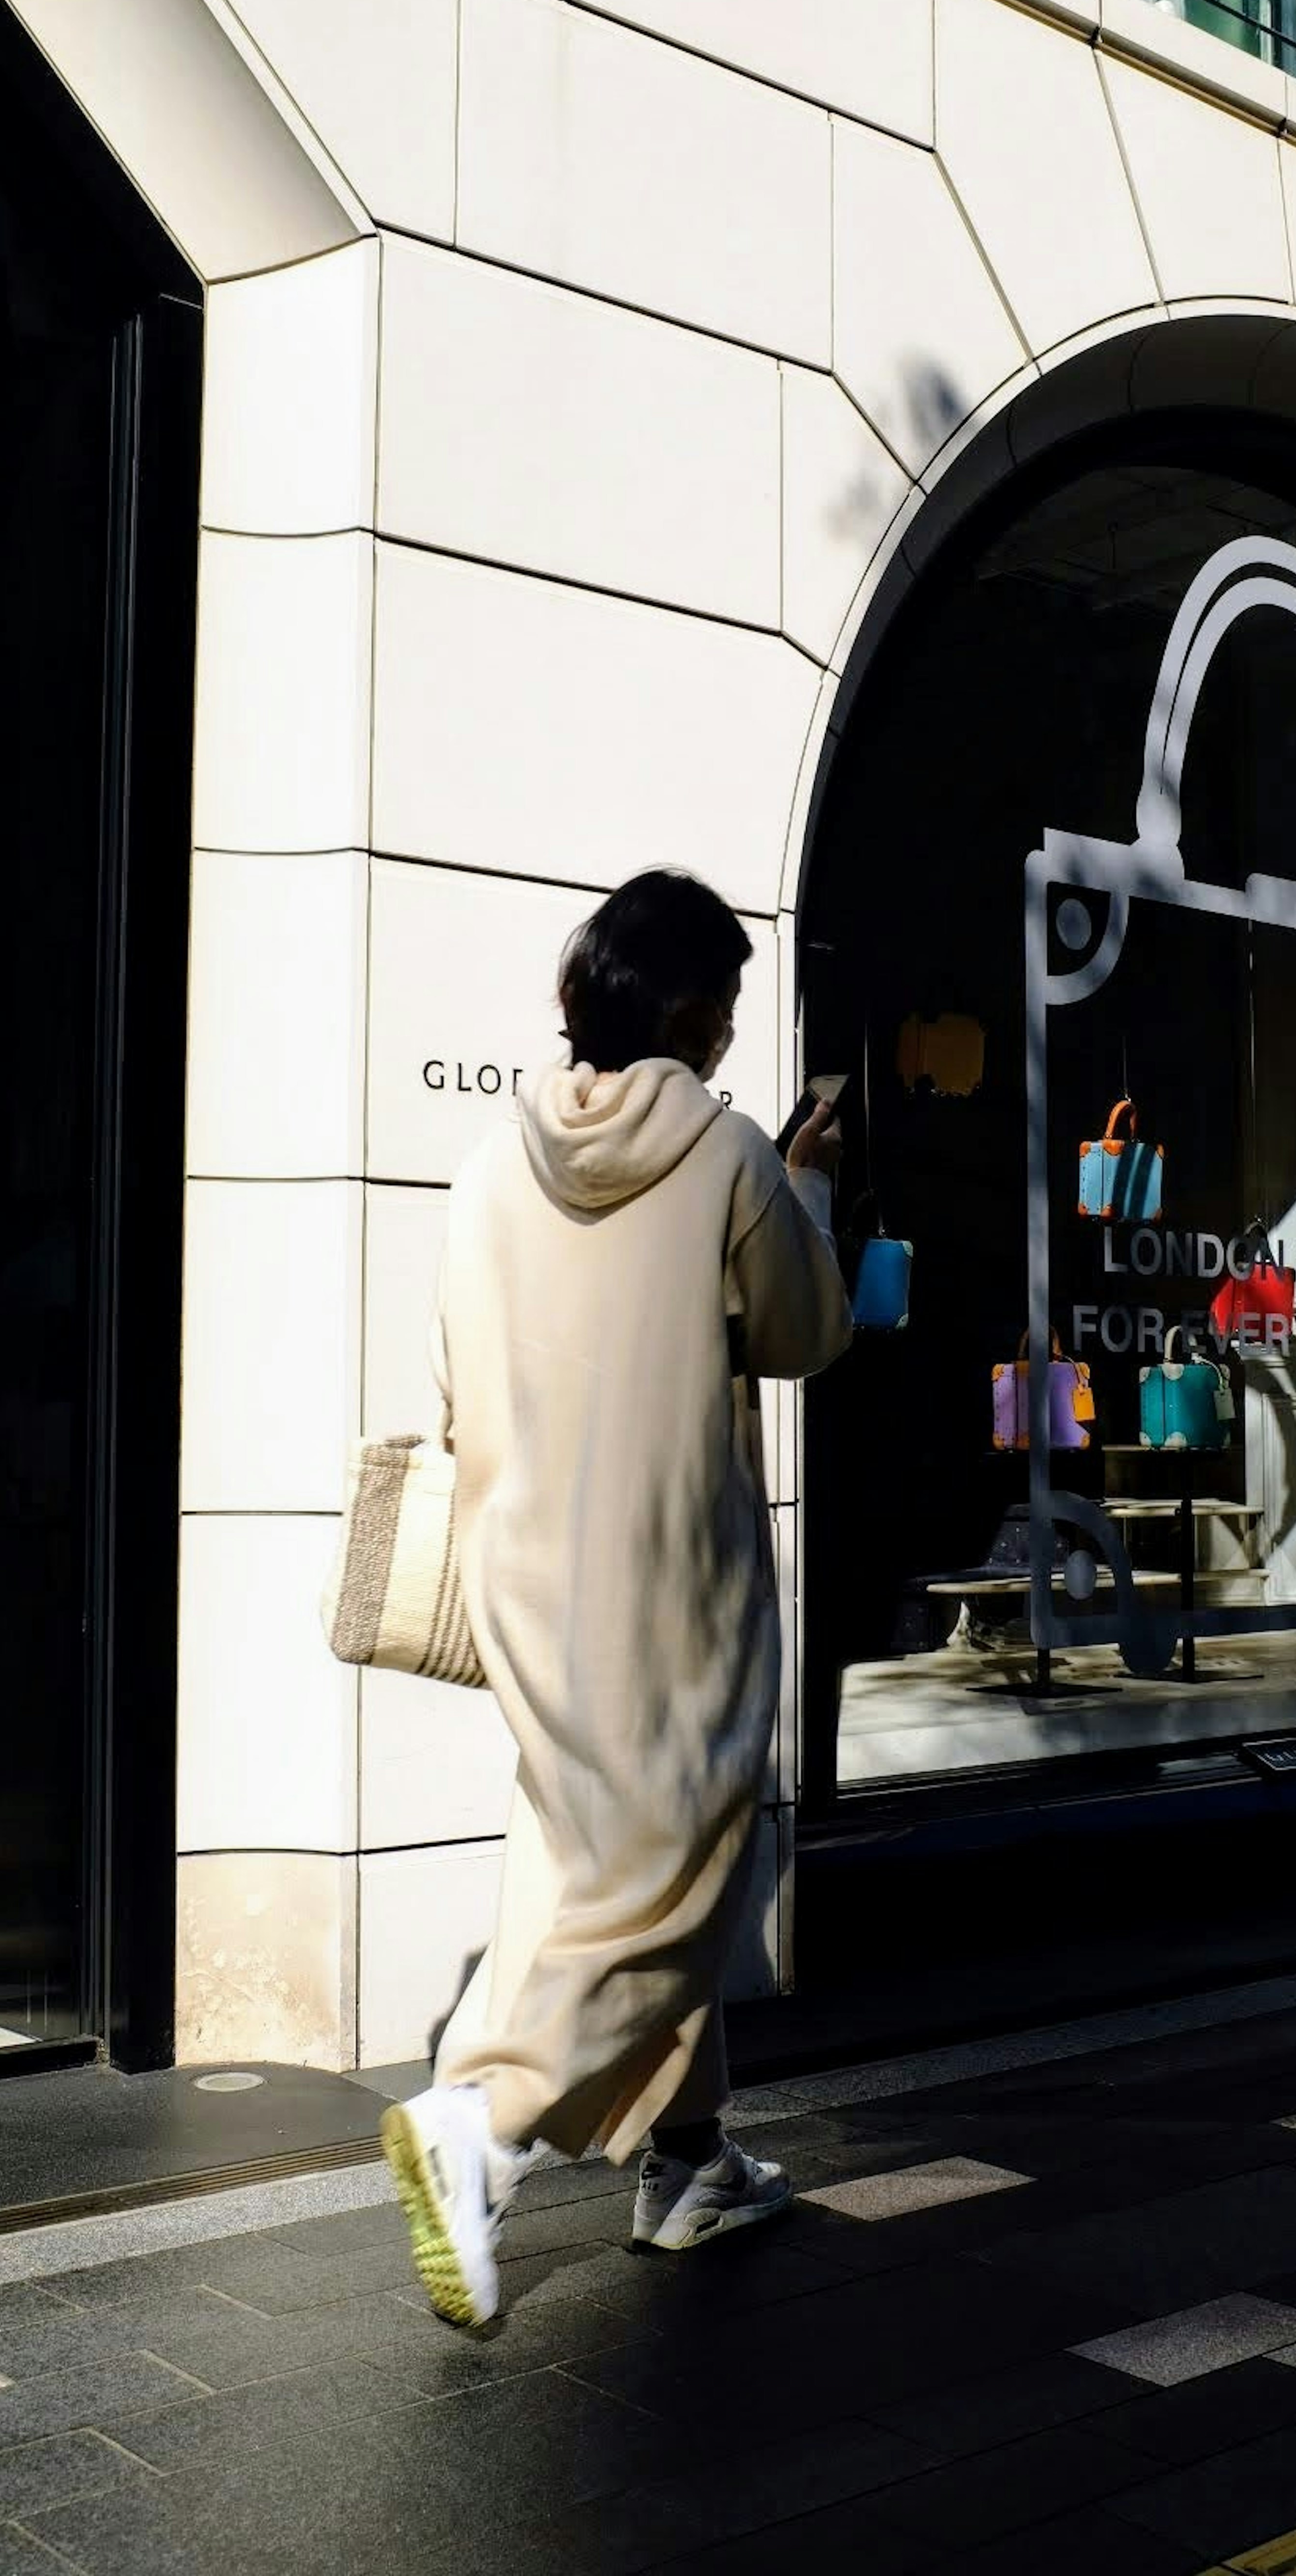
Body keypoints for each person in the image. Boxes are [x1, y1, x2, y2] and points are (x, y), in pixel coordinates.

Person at [380, 868, 851, 2326]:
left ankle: (690, 2161)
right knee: (674, 1860)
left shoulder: (483, 1160)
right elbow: (803, 1331)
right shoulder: (727, 1153)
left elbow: (458, 1377)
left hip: (523, 1566)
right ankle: (483, 2124)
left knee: (581, 1853)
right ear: (694, 1007)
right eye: (723, 996)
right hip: (672, 1574)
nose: (727, 1026)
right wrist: (810, 1178)